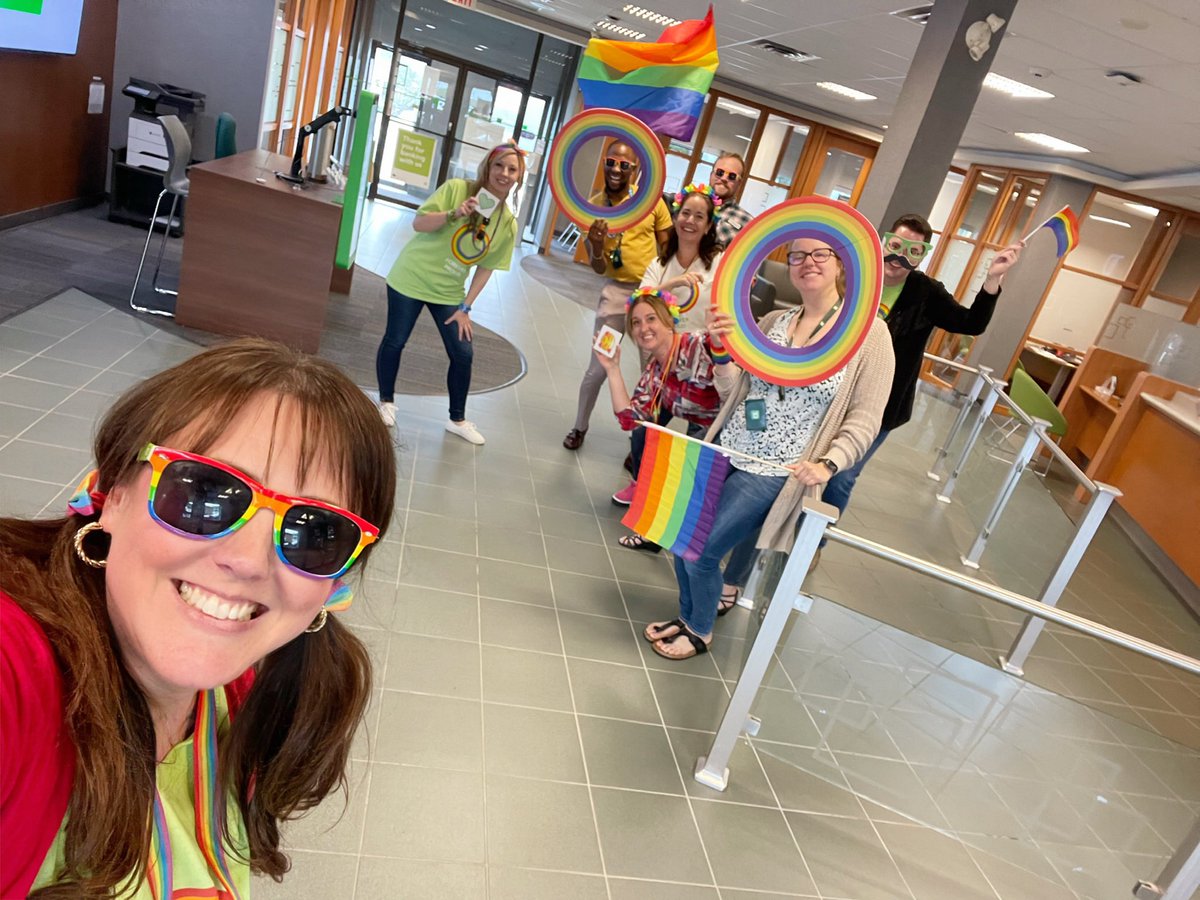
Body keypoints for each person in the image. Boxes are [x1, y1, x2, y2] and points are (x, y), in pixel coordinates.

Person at [1, 338, 395, 898]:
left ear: (333, 585)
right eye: (207, 493)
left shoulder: (252, 699)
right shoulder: (16, 671)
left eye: (315, 533)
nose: (248, 561)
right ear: (111, 493)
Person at [718, 214, 1023, 601]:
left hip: (880, 406)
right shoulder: (855, 278)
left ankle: (812, 538)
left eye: (912, 252)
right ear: (881, 243)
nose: (899, 258)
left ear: (922, 256)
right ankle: (759, 533)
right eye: (895, 246)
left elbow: (970, 323)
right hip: (820, 396)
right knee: (780, 472)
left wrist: (992, 279)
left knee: (840, 477)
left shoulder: (926, 292)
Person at [644, 238, 895, 659]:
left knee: (703, 551)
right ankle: (688, 617)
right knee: (683, 539)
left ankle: (700, 630)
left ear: (841, 265)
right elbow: (735, 393)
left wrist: (830, 464)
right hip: (730, 446)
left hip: (778, 469)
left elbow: (868, 415)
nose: (807, 263)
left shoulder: (869, 335)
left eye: (820, 254)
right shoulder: (777, 320)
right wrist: (722, 355)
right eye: (797, 255)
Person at [376, 140, 526, 445]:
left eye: (513, 169)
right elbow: (419, 223)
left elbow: (487, 266)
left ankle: (457, 419)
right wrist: (453, 214)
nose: (504, 174)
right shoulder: (458, 188)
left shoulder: (507, 223)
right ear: (488, 166)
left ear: (519, 177)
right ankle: (386, 402)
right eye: (499, 166)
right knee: (396, 339)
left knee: (463, 353)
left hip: (448, 293)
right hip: (412, 277)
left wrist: (466, 307)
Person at [562, 139, 672, 451]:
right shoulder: (593, 207)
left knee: (652, 370)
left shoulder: (651, 201)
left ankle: (640, 441)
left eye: (625, 165)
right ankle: (579, 426)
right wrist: (596, 246)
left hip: (649, 299)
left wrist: (664, 293)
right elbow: (598, 267)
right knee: (598, 367)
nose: (616, 169)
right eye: (611, 162)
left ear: (635, 170)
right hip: (615, 296)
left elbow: (668, 249)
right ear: (604, 163)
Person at [596, 289, 726, 549]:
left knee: (687, 453)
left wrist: (720, 341)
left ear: (669, 320)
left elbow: (734, 377)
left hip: (731, 428)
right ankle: (655, 530)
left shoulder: (700, 345)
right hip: (704, 428)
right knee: (647, 435)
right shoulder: (655, 370)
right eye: (636, 322)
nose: (644, 327)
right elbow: (629, 420)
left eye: (651, 319)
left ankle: (674, 532)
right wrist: (612, 369)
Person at [639, 182, 724, 334]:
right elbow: (640, 304)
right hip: (661, 349)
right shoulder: (658, 265)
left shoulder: (719, 262)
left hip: (701, 351)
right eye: (685, 213)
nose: (690, 220)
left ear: (708, 226)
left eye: (699, 217)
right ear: (675, 217)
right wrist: (672, 284)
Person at [709, 152, 753, 247]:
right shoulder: (686, 203)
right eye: (720, 172)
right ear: (711, 174)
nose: (724, 178)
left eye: (732, 176)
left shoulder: (749, 224)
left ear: (739, 183)